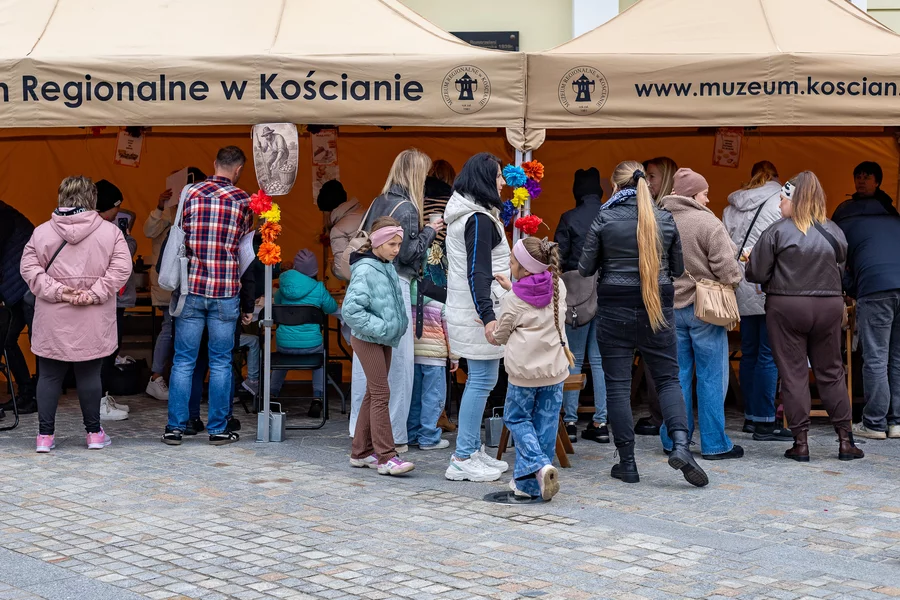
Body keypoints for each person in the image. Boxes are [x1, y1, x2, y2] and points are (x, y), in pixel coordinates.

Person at [579, 160, 708, 487]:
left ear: (614, 186)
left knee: (618, 386)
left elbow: (584, 268)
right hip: (658, 308)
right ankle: (681, 445)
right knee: (668, 380)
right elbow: (677, 269)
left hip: (614, 308)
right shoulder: (664, 218)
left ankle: (628, 463)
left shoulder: (605, 217)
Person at [746, 172, 864, 462]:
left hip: (786, 307)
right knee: (832, 371)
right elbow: (840, 269)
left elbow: (756, 273)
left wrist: (752, 261)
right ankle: (846, 441)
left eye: (783, 200)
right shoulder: (835, 231)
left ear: (795, 200)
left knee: (793, 373)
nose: (779, 205)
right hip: (828, 306)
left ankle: (800, 444)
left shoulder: (776, 231)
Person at [20, 176, 132, 452]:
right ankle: (94, 434)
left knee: (49, 376)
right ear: (92, 199)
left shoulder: (42, 232)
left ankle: (44, 437)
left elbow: (29, 269)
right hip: (93, 316)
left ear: (61, 197)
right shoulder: (110, 232)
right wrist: (93, 293)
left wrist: (59, 292)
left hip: (52, 316)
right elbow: (121, 269)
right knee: (90, 375)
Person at [349, 149, 443, 451]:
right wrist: (430, 231)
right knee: (398, 365)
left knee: (366, 366)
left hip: (371, 281)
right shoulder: (409, 208)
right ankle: (393, 437)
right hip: (395, 283)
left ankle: (360, 433)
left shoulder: (378, 201)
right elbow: (408, 253)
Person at [162, 146, 254, 447]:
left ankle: (175, 427)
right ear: (238, 170)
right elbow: (244, 248)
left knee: (183, 361)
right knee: (222, 362)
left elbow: (179, 233)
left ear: (214, 164)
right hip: (225, 292)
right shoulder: (244, 200)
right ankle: (218, 429)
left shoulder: (189, 193)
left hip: (191, 289)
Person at [660, 168, 743, 460]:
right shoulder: (708, 222)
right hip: (705, 309)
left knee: (676, 377)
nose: (707, 200)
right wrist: (733, 280)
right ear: (693, 195)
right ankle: (715, 444)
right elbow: (728, 270)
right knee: (711, 377)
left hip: (670, 307)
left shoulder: (660, 220)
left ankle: (674, 441)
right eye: (705, 194)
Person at [443, 152, 511, 482]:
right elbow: (478, 271)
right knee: (482, 380)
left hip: (474, 309)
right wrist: (488, 316)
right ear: (485, 180)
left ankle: (471, 448)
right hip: (479, 312)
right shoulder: (479, 220)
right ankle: (463, 457)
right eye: (497, 176)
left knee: (483, 380)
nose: (503, 182)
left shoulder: (474, 216)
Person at [492, 237, 573, 502]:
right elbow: (536, 297)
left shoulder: (514, 299)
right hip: (555, 368)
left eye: (512, 261)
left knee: (516, 419)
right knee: (545, 424)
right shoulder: (558, 285)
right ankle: (530, 485)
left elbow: (501, 335)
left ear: (526, 269)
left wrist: (490, 329)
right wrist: (511, 289)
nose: (509, 265)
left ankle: (539, 465)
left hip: (524, 372)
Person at [723, 160, 791, 440]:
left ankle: (751, 416)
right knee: (768, 354)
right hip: (768, 284)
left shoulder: (731, 207)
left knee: (749, 352)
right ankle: (764, 419)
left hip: (740, 284)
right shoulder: (780, 201)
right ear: (776, 177)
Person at [832, 162, 900, 440]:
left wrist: (851, 288)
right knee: (896, 358)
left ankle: (874, 423)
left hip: (875, 288)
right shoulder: (892, 215)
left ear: (877, 181)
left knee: (875, 358)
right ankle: (896, 422)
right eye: (857, 176)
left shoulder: (844, 218)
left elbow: (836, 261)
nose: (861, 181)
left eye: (866, 177)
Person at [343, 217, 414, 475]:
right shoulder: (366, 269)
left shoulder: (385, 265)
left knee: (373, 394)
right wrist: (382, 328)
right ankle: (386, 456)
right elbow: (351, 311)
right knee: (382, 393)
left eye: (399, 244)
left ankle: (361, 452)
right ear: (377, 242)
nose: (396, 249)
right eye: (392, 244)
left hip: (382, 339)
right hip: (369, 339)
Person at [554, 167, 608, 444]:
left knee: (573, 357)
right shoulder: (609, 215)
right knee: (599, 360)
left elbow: (558, 257)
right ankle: (601, 422)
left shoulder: (569, 217)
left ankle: (571, 422)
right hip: (606, 294)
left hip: (577, 297)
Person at [145, 167, 207, 401]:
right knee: (169, 329)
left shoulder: (199, 209)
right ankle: (156, 377)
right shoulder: (169, 213)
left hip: (192, 282)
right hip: (170, 283)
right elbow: (148, 231)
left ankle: (182, 382)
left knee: (186, 332)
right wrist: (160, 206)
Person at [633, 159, 678, 436]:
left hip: (662, 295)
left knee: (659, 363)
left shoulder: (664, 214)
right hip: (662, 295)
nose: (647, 182)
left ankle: (662, 418)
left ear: (668, 179)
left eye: (652, 176)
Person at [269, 249, 339, 402]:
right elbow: (332, 308)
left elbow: (277, 305)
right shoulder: (318, 288)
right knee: (320, 359)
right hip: (311, 346)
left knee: (281, 359)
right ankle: (318, 396)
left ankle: (272, 392)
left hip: (284, 345)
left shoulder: (283, 287)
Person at [95, 180, 134, 421]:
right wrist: (129, 239)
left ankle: (103, 397)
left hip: (109, 299)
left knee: (110, 349)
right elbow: (124, 256)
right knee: (105, 351)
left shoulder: (99, 227)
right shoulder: (103, 230)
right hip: (109, 299)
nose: (119, 211)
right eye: (116, 206)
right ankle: (99, 403)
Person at [423, 159, 456, 432]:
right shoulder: (451, 202)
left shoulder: (418, 200)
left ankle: (424, 413)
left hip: (421, 272)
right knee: (443, 343)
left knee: (422, 344)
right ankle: (440, 413)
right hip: (444, 272)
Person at [407, 276, 457, 450]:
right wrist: (454, 357)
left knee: (414, 398)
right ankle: (428, 437)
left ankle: (411, 434)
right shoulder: (440, 304)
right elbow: (450, 333)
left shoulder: (407, 301)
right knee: (433, 397)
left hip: (412, 356)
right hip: (435, 358)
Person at [0, 201, 36, 414]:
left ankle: (32, 396)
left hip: (25, 288)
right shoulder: (8, 214)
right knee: (8, 341)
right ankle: (27, 394)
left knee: (36, 342)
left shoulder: (4, 217)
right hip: (21, 286)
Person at [317, 179, 364, 274]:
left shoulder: (338, 230)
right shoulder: (366, 212)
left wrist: (333, 267)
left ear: (327, 211)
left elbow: (343, 271)